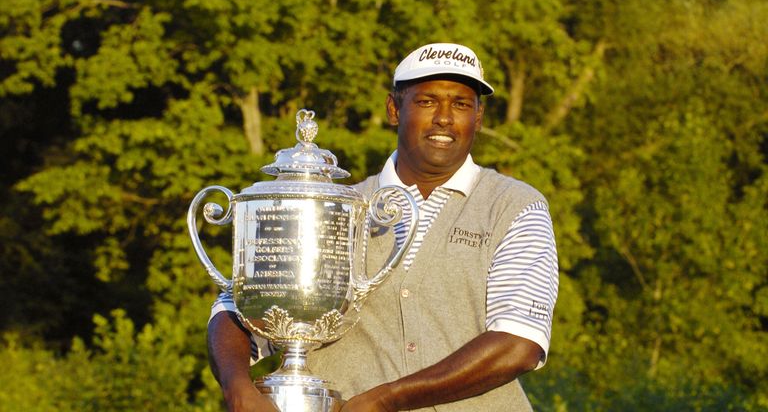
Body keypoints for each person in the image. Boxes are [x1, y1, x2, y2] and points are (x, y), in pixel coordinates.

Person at [207, 42, 559, 411]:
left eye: (461, 104)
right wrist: (237, 386)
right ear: (394, 109)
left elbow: (519, 343)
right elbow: (235, 310)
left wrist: (390, 398)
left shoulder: (515, 206)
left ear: (479, 117)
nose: (444, 117)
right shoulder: (333, 208)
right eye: (426, 101)